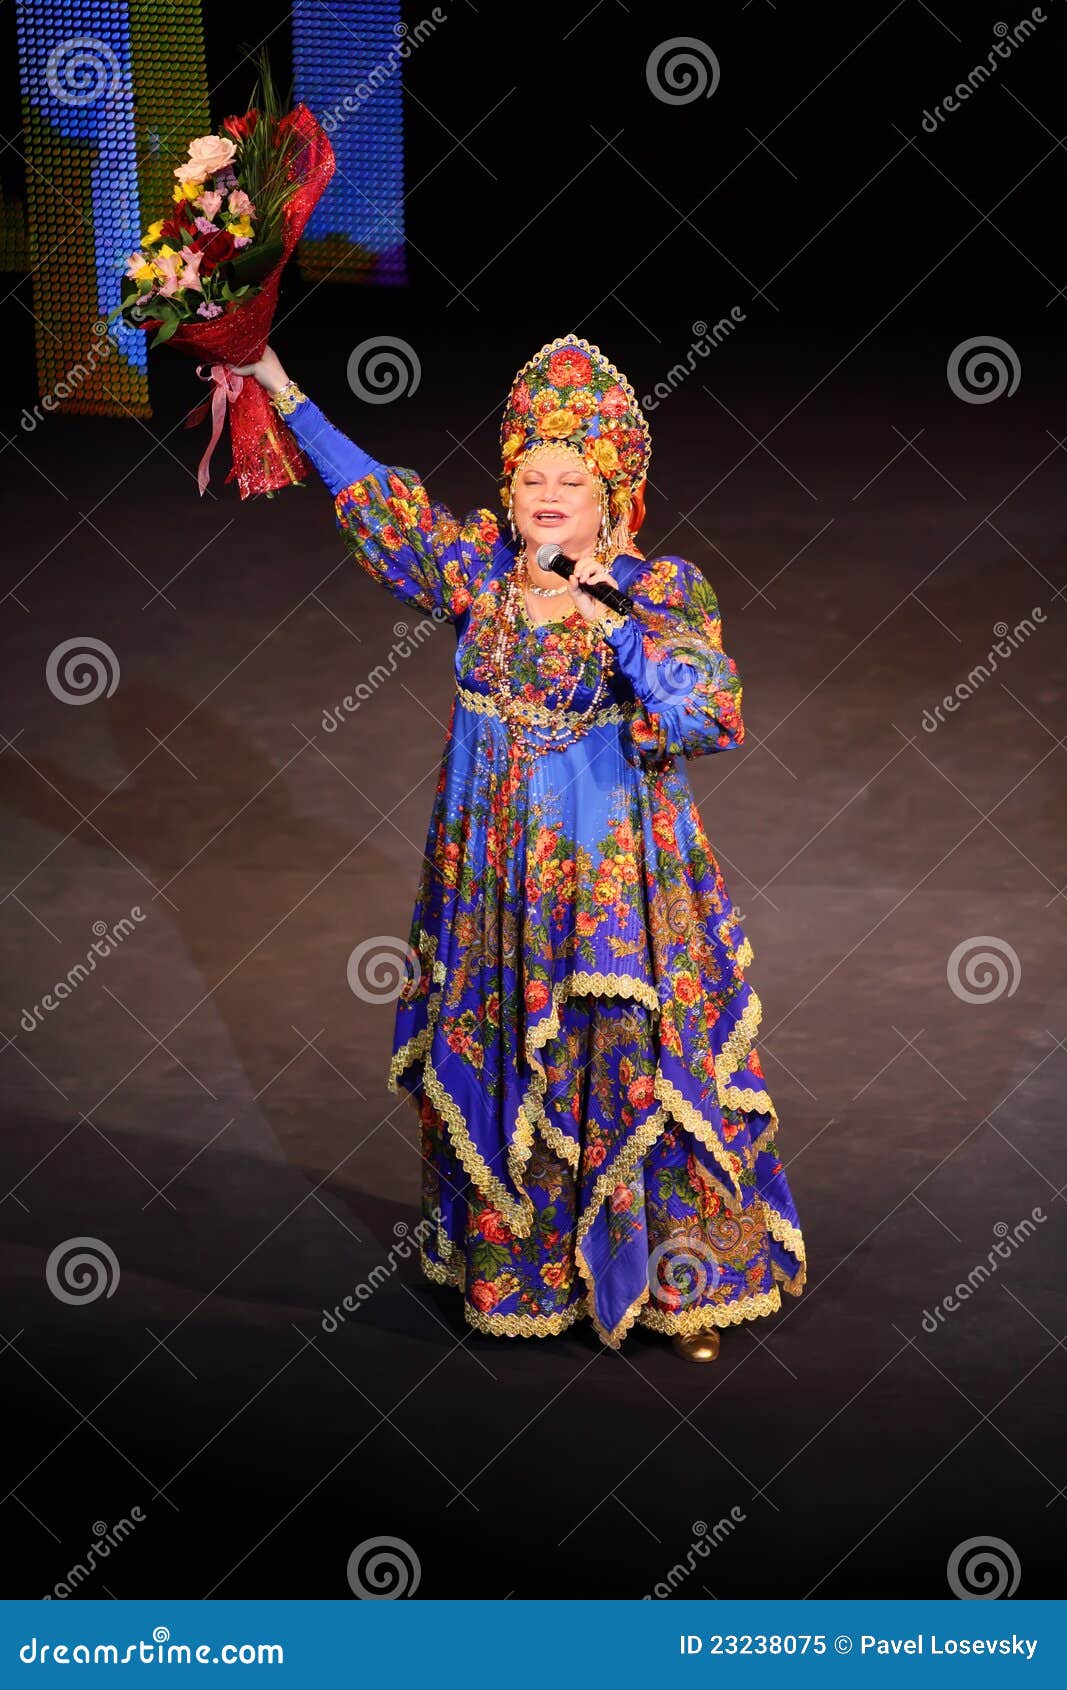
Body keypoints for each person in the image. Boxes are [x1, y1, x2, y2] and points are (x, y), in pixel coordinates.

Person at [231, 334, 806, 1360]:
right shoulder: (480, 572)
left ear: (611, 494)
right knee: (501, 1048)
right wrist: (276, 382)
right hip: (492, 879)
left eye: (569, 480)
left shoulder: (657, 588)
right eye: (531, 477)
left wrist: (612, 620)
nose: (547, 496)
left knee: (621, 1059)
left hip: (605, 886)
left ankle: (671, 1286)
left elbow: (708, 711)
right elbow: (378, 501)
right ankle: (520, 1272)